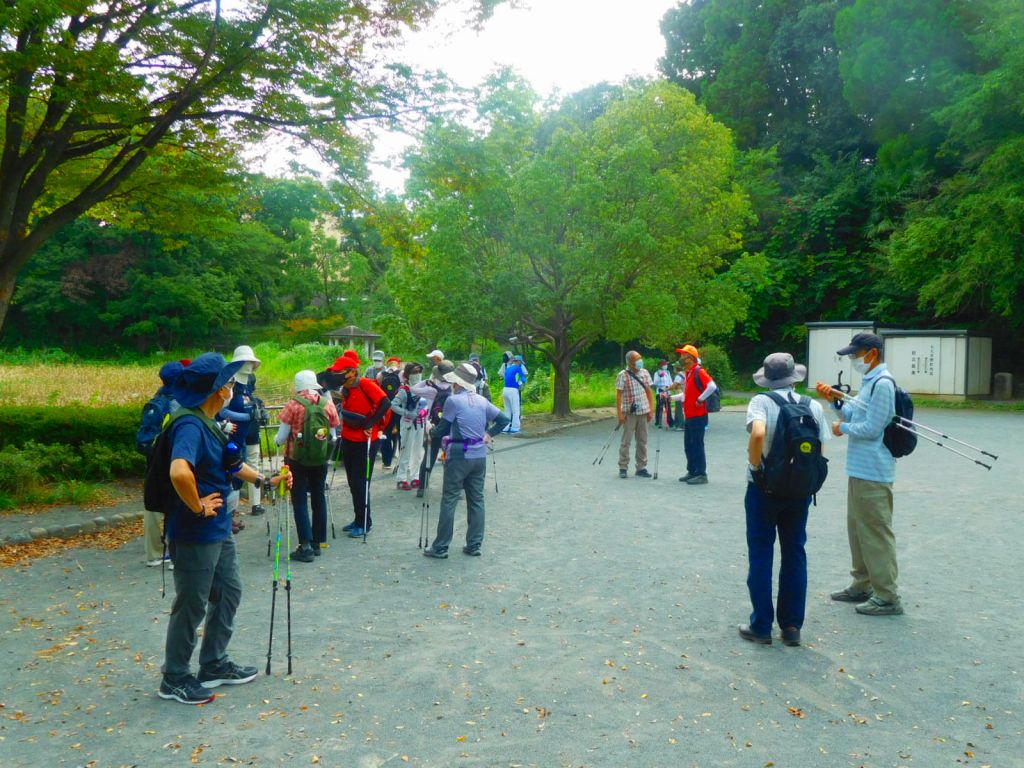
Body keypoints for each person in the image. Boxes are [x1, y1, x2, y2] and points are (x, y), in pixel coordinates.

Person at [159, 352, 291, 705]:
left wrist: (267, 479)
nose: (234, 387)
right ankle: (174, 677)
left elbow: (233, 465)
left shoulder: (209, 421)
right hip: (194, 531)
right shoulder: (189, 424)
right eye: (229, 383)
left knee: (228, 592)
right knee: (192, 603)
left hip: (217, 530)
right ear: (217, 391)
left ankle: (213, 664)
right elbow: (179, 471)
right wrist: (198, 505)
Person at [738, 353, 830, 646]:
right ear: (793, 377)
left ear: (767, 378)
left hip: (764, 489)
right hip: (800, 490)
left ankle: (761, 626)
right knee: (795, 552)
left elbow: (759, 433)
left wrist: (756, 466)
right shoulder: (812, 405)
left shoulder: (760, 402)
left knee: (762, 552)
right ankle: (791, 627)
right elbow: (821, 446)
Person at [816, 332, 904, 616]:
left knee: (875, 531)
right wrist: (834, 401)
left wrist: (842, 429)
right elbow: (852, 415)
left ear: (872, 354)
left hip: (875, 470)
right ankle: (862, 584)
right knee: (858, 529)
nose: (853, 359)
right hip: (859, 469)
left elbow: (872, 428)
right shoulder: (868, 383)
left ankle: (887, 595)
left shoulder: (882, 384)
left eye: (856, 354)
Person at [423, 363, 510, 559]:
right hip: (479, 454)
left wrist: (429, 429)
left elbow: (442, 430)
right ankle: (474, 545)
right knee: (477, 500)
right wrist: (489, 434)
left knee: (450, 499)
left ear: (457, 383)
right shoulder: (481, 400)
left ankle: (441, 546)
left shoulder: (453, 401)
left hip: (459, 455)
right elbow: (504, 420)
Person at [274, 370, 341, 561]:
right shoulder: (327, 403)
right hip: (320, 459)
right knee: (318, 496)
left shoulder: (293, 405)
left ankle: (305, 546)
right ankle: (318, 543)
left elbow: (281, 437)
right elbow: (333, 435)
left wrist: (277, 443)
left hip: (296, 459)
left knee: (299, 500)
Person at [333, 351, 391, 538]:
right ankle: (358, 519)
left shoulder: (365, 383)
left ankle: (365, 522)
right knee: (352, 482)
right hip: (348, 438)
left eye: (341, 372)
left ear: (351, 372)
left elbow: (385, 403)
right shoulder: (345, 389)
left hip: (366, 441)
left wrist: (370, 423)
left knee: (360, 483)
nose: (338, 375)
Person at [138, 361, 184, 568]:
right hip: (176, 464)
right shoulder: (184, 405)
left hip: (155, 467)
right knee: (178, 506)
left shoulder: (155, 403)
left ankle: (154, 554)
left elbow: (142, 443)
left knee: (154, 507)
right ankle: (176, 553)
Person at [670, 344, 718, 485]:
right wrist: (671, 398)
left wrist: (700, 399)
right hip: (690, 415)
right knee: (689, 445)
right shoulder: (689, 373)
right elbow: (687, 395)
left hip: (698, 415)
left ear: (690, 358)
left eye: (683, 355)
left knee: (697, 444)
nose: (680, 358)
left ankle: (701, 474)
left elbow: (712, 386)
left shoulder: (698, 371)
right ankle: (692, 471)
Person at [228, 345, 265, 518]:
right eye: (247, 361)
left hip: (252, 430)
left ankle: (255, 504)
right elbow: (222, 410)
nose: (250, 365)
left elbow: (252, 398)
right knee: (235, 469)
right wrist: (246, 416)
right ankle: (232, 512)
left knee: (253, 464)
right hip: (235, 432)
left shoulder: (250, 380)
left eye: (252, 362)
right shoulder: (229, 381)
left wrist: (260, 409)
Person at [412, 360, 455, 496]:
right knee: (450, 458)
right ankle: (453, 489)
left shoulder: (430, 390)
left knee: (429, 456)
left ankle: (422, 488)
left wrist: (426, 381)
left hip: (434, 427)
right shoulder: (454, 389)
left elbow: (413, 389)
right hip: (450, 427)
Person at [615, 351, 655, 479]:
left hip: (644, 411)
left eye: (640, 358)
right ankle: (623, 467)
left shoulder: (645, 373)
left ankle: (641, 467)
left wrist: (651, 409)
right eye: (637, 359)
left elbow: (649, 392)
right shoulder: (623, 375)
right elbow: (619, 395)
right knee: (626, 441)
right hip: (629, 413)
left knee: (642, 440)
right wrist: (620, 413)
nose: (640, 361)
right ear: (630, 362)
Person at [390, 362, 427, 490]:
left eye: (419, 372)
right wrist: (407, 413)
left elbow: (427, 404)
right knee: (405, 451)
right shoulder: (404, 390)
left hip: (421, 423)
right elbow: (393, 405)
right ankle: (401, 478)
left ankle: (415, 477)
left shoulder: (424, 389)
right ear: (407, 375)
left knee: (417, 452)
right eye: (414, 373)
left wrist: (425, 413)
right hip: (407, 424)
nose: (417, 375)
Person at [378, 357, 404, 470]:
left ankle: (387, 462)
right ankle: (402, 462)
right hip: (399, 408)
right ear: (398, 364)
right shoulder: (401, 374)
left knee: (385, 434)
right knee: (402, 435)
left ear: (387, 364)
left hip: (386, 409)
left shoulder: (381, 375)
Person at [501, 354, 527, 433]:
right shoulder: (518, 368)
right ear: (518, 361)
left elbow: (506, 378)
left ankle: (505, 428)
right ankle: (515, 428)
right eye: (521, 362)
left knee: (507, 410)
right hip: (513, 390)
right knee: (516, 410)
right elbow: (523, 379)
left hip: (505, 390)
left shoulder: (508, 368)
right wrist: (522, 383)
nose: (521, 364)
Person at [651, 360, 674, 429]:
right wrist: (660, 376)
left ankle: (670, 422)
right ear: (660, 365)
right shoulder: (657, 373)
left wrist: (671, 388)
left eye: (666, 364)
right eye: (664, 364)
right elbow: (655, 383)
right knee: (659, 407)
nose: (666, 366)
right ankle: (658, 421)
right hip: (660, 391)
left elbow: (670, 381)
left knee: (668, 407)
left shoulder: (668, 372)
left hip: (667, 391)